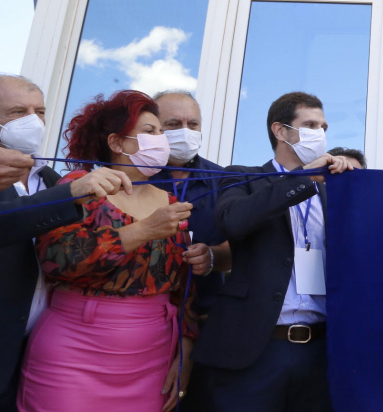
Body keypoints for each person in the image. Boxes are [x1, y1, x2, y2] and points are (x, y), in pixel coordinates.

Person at [17, 89, 197, 412]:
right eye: (149, 132)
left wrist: (185, 352)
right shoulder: (79, 185)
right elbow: (56, 259)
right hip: (73, 354)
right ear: (116, 143)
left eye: (161, 133)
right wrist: (142, 230)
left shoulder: (171, 201)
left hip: (152, 360)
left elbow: (184, 289)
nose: (161, 140)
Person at [192, 92, 352, 412]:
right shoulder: (242, 176)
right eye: (309, 125)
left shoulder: (332, 190)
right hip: (256, 350)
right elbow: (234, 221)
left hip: (321, 352)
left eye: (323, 126)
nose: (319, 134)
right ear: (280, 131)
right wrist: (302, 179)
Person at [0, 74, 132, 411]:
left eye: (40, 111)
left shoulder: (52, 178)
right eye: (18, 112)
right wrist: (69, 194)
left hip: (35, 351)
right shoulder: (66, 188)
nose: (33, 121)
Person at [151, 90, 229, 412]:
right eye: (173, 123)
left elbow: (242, 247)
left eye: (192, 123)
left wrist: (213, 256)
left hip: (211, 328)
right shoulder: (134, 177)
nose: (185, 130)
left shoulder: (224, 180)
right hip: (147, 326)